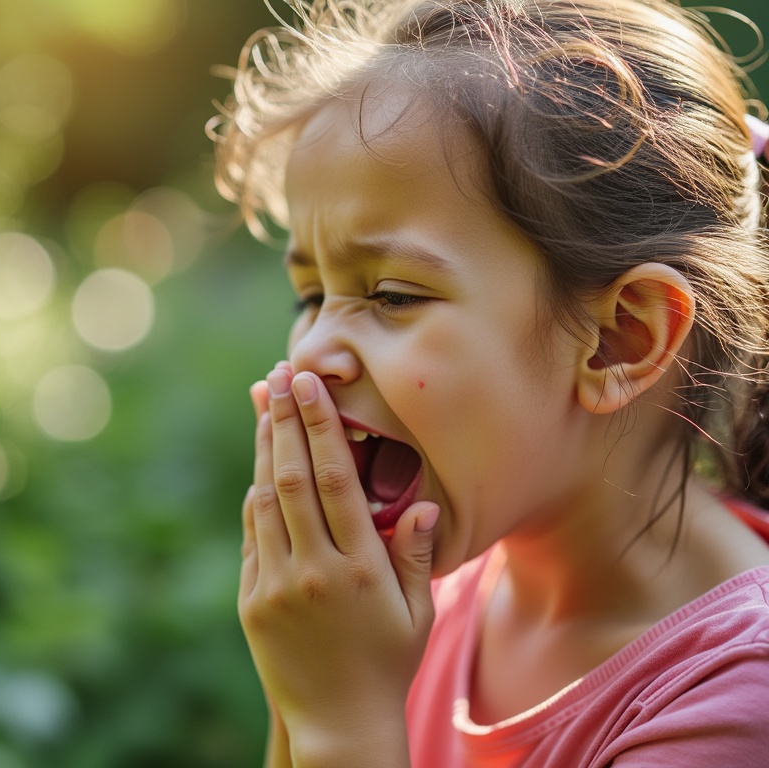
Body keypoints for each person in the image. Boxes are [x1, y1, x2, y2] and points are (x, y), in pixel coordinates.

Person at [208, 0, 769, 765]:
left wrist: (344, 723)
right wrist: (303, 692)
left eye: (391, 295)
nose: (305, 359)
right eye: (310, 297)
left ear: (619, 340)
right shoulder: (407, 608)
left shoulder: (735, 701)